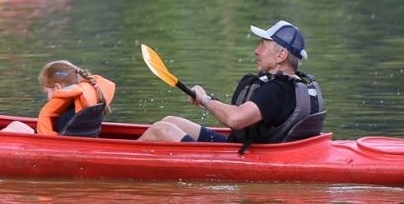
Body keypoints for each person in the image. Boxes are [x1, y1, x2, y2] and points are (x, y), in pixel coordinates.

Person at [137, 21, 324, 146]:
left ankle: (118, 164)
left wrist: (206, 100)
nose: (256, 51)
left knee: (161, 130)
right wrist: (206, 100)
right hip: (242, 149)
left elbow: (236, 119)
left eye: (262, 45)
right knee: (171, 121)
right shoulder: (294, 85)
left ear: (281, 55)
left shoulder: (277, 90)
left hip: (246, 158)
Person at [3, 60, 118, 136]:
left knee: (11, 129)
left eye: (47, 92)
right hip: (68, 143)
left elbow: (53, 139)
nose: (47, 97)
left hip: (50, 147)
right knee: (17, 124)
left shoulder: (66, 116)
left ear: (58, 87)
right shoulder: (79, 108)